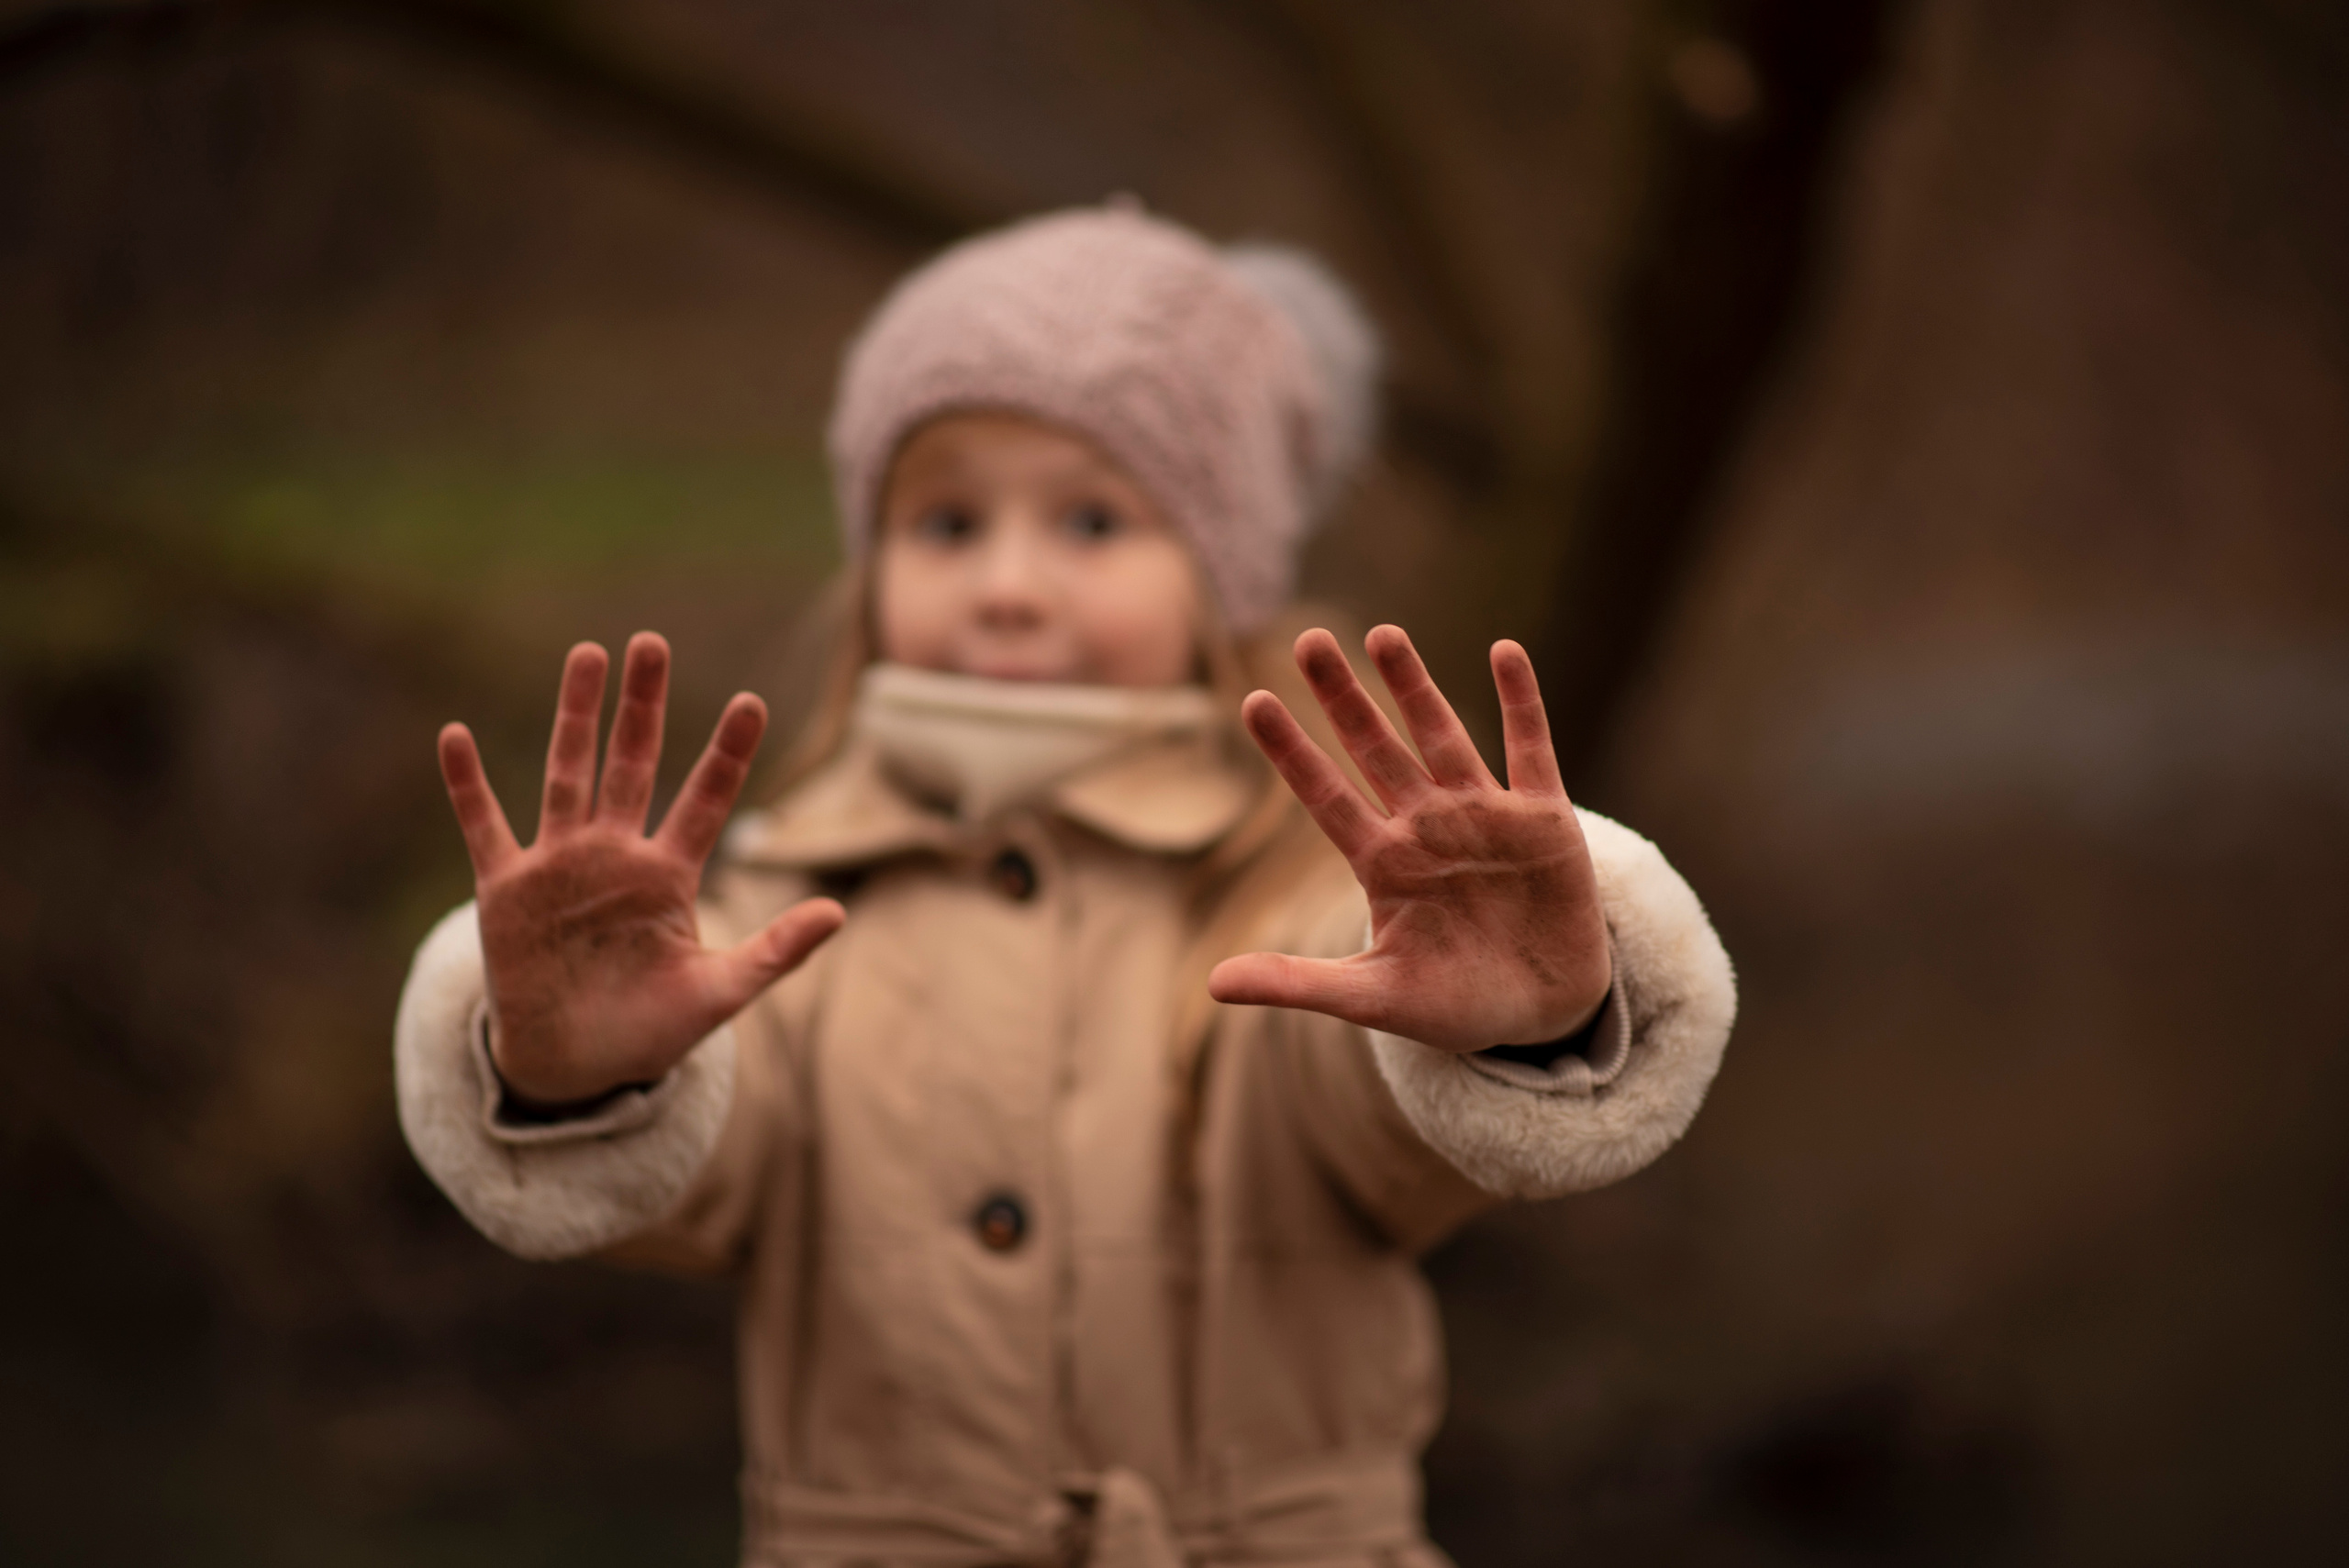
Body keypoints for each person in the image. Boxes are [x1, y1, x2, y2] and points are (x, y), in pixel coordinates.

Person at [394, 204, 1735, 1568]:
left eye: (1094, 519)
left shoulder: (1296, 890)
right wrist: (585, 1073)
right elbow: (717, 1162)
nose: (1009, 586)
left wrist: (1505, 1016)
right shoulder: (787, 906)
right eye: (948, 521)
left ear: (1226, 576)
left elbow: (1350, 1108)